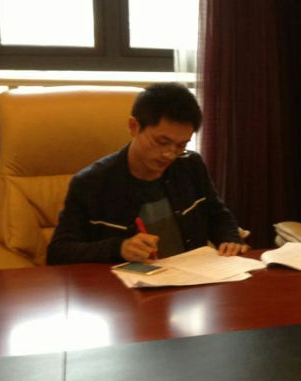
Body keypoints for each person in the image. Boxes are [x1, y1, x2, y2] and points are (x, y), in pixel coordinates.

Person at [47, 83, 248, 265]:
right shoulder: (91, 183)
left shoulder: (190, 164)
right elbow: (59, 252)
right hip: (128, 287)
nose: (170, 154)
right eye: (162, 142)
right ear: (134, 127)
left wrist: (229, 239)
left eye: (181, 145)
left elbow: (217, 215)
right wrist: (119, 248)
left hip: (192, 280)